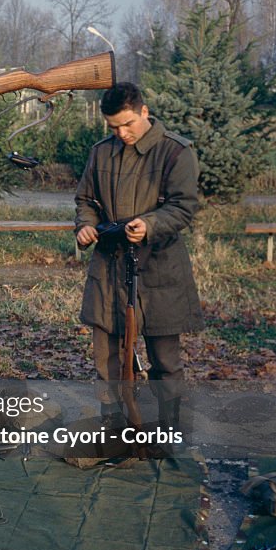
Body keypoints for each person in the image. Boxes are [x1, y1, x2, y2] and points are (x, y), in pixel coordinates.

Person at [74, 82, 203, 425]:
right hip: (109, 268)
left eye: (128, 123)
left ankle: (169, 429)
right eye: (113, 127)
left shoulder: (176, 152)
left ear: (144, 111)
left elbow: (184, 207)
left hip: (159, 268)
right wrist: (85, 227)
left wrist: (150, 224)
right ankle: (115, 426)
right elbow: (86, 201)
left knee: (165, 360)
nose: (122, 133)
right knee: (108, 359)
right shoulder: (101, 152)